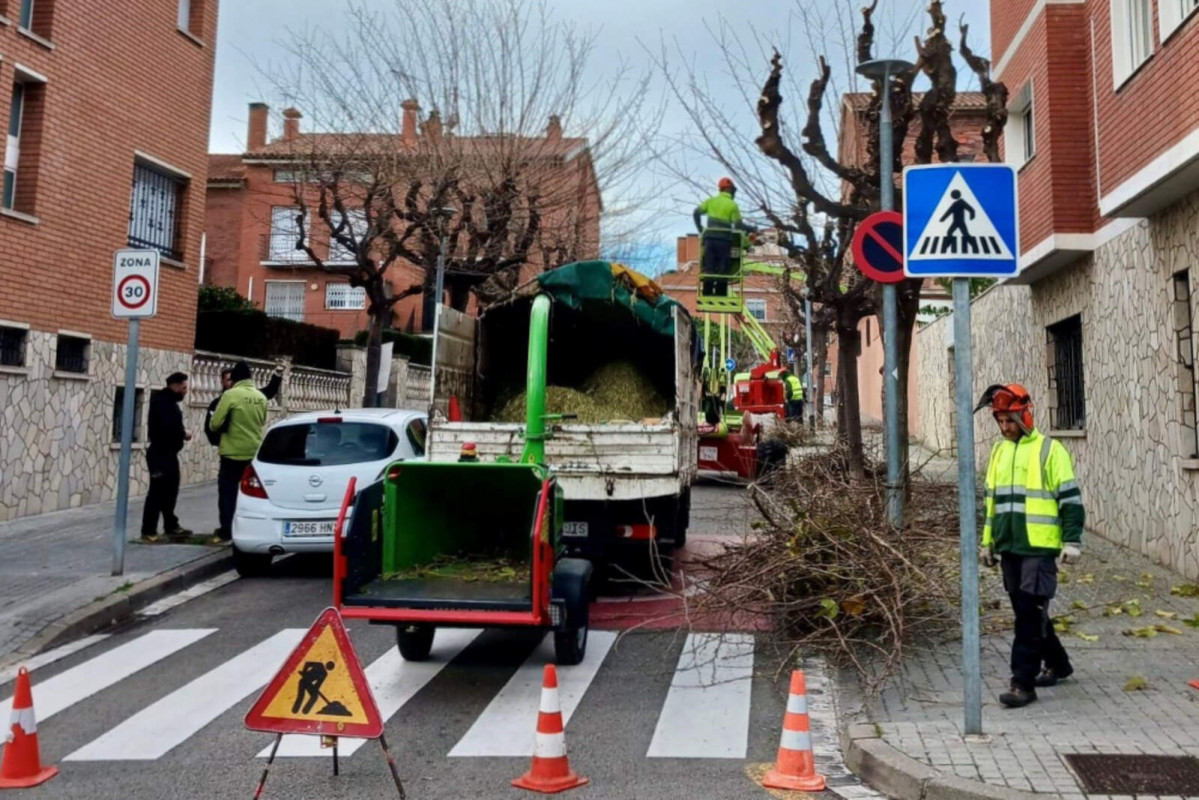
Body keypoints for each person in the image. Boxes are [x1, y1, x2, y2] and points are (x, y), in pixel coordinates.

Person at [975, 383, 1084, 709]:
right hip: (1009, 547)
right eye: (1000, 421)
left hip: (1040, 548)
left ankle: (1022, 683)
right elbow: (991, 503)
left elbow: (1070, 500)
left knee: (1026, 616)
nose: (1005, 427)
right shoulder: (999, 451)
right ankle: (1059, 664)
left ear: (1025, 415)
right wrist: (987, 543)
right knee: (1029, 613)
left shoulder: (1051, 451)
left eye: (1010, 420)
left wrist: (1072, 540)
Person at [209, 361, 269, 543]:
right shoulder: (261, 397)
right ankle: (250, 527)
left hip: (232, 453)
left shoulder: (230, 395)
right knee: (252, 493)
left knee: (227, 491)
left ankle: (227, 530)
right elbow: (262, 421)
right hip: (253, 453)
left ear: (234, 379)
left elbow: (215, 424)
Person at [141, 372, 192, 541]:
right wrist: (183, 433)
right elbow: (166, 428)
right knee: (157, 492)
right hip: (160, 454)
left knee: (170, 491)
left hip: (169, 454)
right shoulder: (162, 403)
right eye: (184, 388)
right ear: (175, 386)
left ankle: (171, 525)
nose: (185, 392)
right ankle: (148, 530)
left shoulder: (169, 403)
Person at [693, 177, 756, 297]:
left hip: (710, 239)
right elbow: (739, 225)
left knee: (709, 265)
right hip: (724, 240)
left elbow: (696, 212)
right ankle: (720, 293)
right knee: (723, 266)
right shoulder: (732, 205)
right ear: (731, 190)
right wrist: (753, 229)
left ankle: (707, 292)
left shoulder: (711, 201)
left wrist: (700, 229)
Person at [204, 363, 282, 446]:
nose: (231, 383)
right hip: (232, 447)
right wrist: (219, 442)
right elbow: (210, 425)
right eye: (228, 380)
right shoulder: (218, 402)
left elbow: (269, 391)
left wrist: (277, 375)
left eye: (232, 380)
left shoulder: (254, 395)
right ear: (222, 382)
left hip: (244, 448)